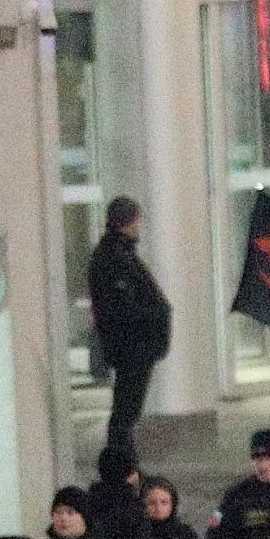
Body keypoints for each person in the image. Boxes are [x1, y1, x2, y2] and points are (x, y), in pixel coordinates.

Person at [87, 200, 173, 468]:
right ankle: (121, 465)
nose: (140, 226)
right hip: (132, 346)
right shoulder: (114, 258)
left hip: (134, 345)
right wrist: (153, 316)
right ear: (128, 222)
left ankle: (123, 462)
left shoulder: (116, 254)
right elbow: (122, 307)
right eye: (137, 220)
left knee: (126, 412)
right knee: (125, 412)